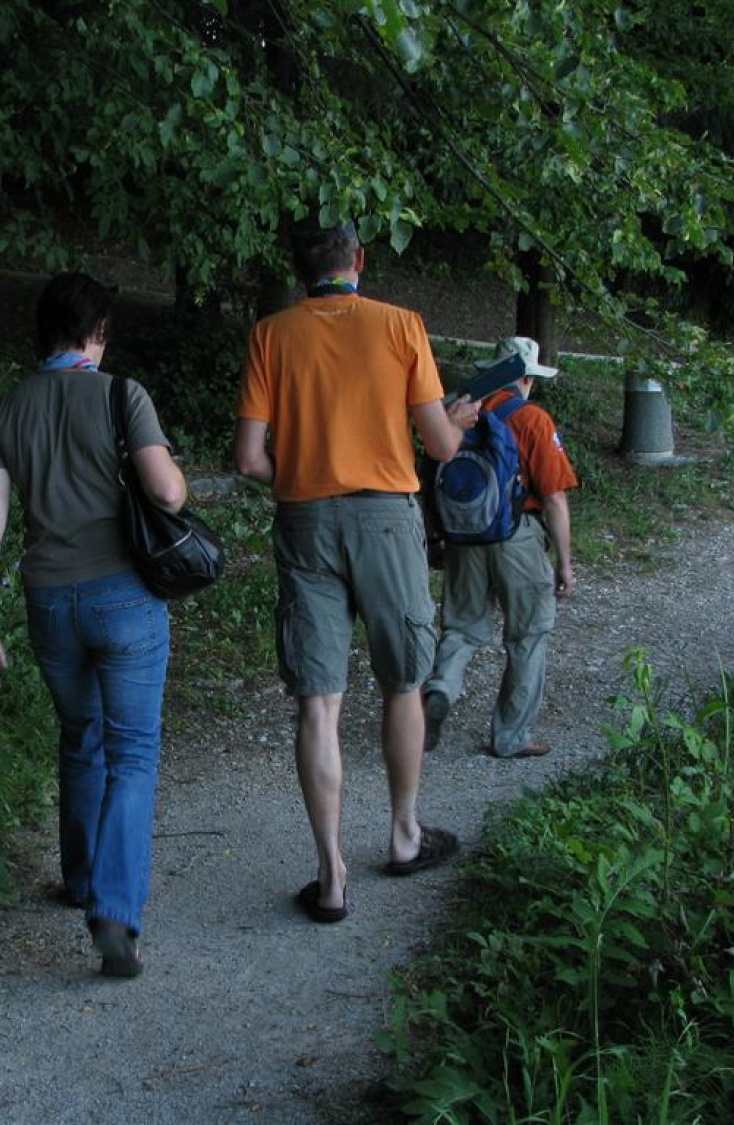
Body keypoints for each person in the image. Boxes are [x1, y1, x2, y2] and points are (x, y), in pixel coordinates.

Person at [234, 217, 480, 924]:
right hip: (387, 520)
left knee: (318, 700)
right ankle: (405, 835)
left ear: (298, 267)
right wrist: (458, 419)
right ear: (359, 260)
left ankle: (332, 875)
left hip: (305, 519)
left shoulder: (272, 334)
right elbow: (440, 443)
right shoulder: (401, 325)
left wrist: (304, 476)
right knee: (403, 678)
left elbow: (250, 458)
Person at [0, 272, 188, 978]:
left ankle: (82, 876)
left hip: (49, 603)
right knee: (133, 753)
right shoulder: (123, 395)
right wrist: (169, 472)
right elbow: (167, 490)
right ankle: (114, 913)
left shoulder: (8, 409)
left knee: (80, 734)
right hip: (123, 599)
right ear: (96, 334)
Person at [422, 336, 579, 758]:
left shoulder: (457, 414)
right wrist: (565, 563)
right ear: (526, 377)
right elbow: (554, 498)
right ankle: (511, 737)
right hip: (518, 538)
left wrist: (437, 536)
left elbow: (431, 474)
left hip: (464, 537)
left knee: (462, 627)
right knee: (527, 635)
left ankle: (439, 689)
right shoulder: (533, 420)